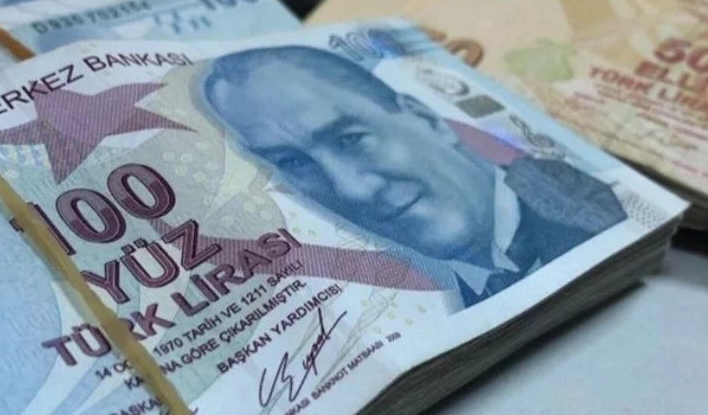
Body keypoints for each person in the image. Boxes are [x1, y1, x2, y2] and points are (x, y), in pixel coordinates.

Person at [196, 46, 627, 308]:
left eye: (351, 139)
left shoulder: (598, 211)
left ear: (427, 118)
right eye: (294, 163)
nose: (352, 189)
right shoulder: (428, 305)